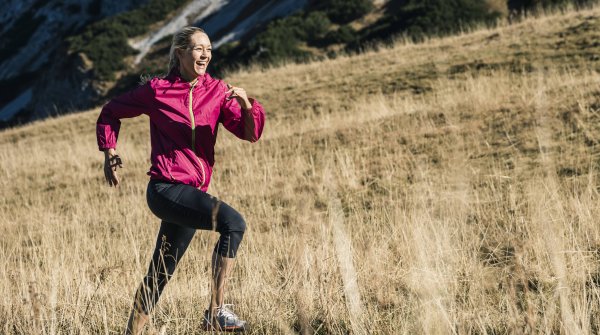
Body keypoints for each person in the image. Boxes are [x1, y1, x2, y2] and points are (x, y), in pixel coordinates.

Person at [96, 26, 265, 334]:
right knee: (234, 223)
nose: (205, 55)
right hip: (164, 188)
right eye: (199, 49)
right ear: (180, 53)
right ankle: (216, 311)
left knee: (158, 274)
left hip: (190, 192)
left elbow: (250, 134)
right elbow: (111, 111)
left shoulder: (216, 91)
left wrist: (245, 106)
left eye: (210, 50)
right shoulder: (157, 90)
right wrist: (110, 151)